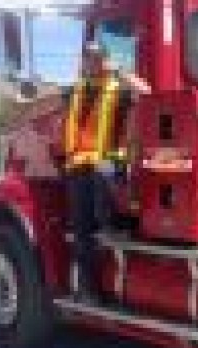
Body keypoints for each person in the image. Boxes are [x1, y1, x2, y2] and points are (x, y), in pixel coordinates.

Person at [64, 41, 151, 302]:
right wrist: (23, 99)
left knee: (103, 172)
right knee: (81, 233)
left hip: (109, 163)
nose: (92, 63)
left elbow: (146, 90)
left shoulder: (118, 89)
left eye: (97, 58)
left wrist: (120, 71)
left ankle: (110, 224)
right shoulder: (76, 91)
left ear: (105, 60)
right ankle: (89, 290)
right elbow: (45, 98)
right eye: (88, 58)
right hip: (79, 167)